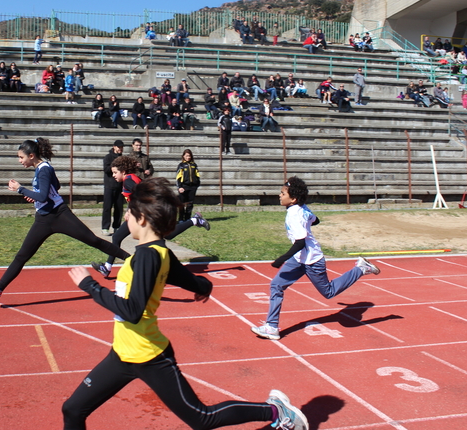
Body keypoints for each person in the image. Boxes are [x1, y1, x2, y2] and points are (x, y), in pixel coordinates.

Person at [64, 177, 306, 430]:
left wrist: (89, 286)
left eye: (129, 214)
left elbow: (133, 311)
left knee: (202, 418)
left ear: (143, 219)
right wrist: (203, 288)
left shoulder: (148, 256)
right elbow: (191, 281)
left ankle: (276, 410)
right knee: (72, 410)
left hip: (148, 356)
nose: (126, 218)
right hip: (122, 354)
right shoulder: (160, 252)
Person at [0, 138, 128, 302]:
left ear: (32, 155)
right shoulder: (42, 168)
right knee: (22, 255)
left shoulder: (44, 169)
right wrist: (34, 196)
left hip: (59, 215)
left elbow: (43, 195)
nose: (20, 161)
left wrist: (20, 189)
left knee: (93, 240)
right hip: (43, 219)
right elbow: (54, 187)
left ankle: (133, 261)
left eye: (21, 157)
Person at [251, 177, 380, 341]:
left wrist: (281, 259)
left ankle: (361, 268)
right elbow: (316, 220)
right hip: (299, 259)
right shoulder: (302, 208)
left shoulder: (295, 215)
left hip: (312, 260)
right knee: (276, 285)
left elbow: (299, 243)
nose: (279, 195)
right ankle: (272, 327)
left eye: (283, 193)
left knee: (329, 292)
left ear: (293, 198)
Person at [91, 157, 210, 278]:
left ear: (123, 171)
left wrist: (131, 209)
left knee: (164, 236)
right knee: (118, 236)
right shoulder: (130, 178)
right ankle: (107, 267)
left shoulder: (128, 180)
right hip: (141, 213)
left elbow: (139, 193)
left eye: (115, 172)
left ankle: (194, 220)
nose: (113, 175)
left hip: (145, 214)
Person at [102, 140, 125, 236]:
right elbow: (106, 169)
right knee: (107, 207)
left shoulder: (123, 158)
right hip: (109, 185)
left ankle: (116, 226)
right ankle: (105, 227)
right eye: (118, 147)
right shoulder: (108, 157)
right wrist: (114, 167)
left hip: (120, 186)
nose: (120, 149)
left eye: (121, 147)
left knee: (119, 207)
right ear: (114, 147)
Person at [175, 149, 201, 222]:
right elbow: (178, 177)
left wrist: (197, 184)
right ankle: (181, 219)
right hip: (183, 186)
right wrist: (179, 187)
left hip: (192, 187)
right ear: (183, 156)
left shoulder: (194, 165)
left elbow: (197, 175)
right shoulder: (181, 165)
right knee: (182, 204)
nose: (188, 157)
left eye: (189, 156)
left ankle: (187, 218)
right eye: (186, 156)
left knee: (190, 204)